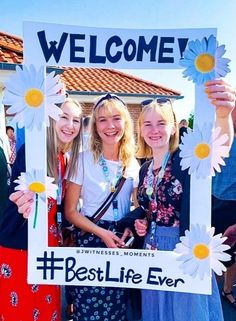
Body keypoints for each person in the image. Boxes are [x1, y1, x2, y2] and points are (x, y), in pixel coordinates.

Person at [120, 79, 235, 321]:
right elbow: (149, 207)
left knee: (185, 313)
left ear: (173, 127)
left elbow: (219, 149)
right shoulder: (145, 168)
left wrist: (223, 117)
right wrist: (141, 221)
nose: (154, 130)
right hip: (151, 250)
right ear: (140, 129)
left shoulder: (186, 161)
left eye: (161, 123)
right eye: (148, 124)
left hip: (183, 249)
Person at [0, 98, 83, 321]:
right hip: (21, 247)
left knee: (48, 311)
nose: (70, 125)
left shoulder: (64, 158)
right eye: (64, 117)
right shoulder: (33, 152)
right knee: (21, 312)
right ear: (51, 118)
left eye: (76, 120)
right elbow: (18, 199)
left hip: (49, 249)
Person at [65, 93, 140, 321]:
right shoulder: (82, 159)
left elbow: (137, 207)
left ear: (125, 123)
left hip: (121, 243)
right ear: (95, 126)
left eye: (116, 118)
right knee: (88, 309)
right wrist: (102, 233)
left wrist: (130, 228)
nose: (110, 126)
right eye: (103, 120)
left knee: (118, 310)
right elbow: (70, 212)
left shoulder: (133, 163)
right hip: (91, 239)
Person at [212, 105, 236, 309]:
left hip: (233, 204)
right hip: (211, 201)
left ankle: (226, 289)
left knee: (230, 252)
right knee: (212, 251)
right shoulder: (217, 136)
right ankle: (210, 292)